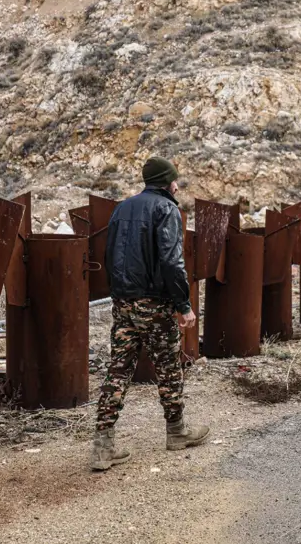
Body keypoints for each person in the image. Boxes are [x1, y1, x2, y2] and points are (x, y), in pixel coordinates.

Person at [91, 157, 209, 471]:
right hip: (155, 303)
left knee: (118, 371)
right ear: (168, 182)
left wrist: (119, 294)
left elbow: (108, 253)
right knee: (168, 367)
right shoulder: (167, 209)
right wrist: (183, 305)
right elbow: (172, 261)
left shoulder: (122, 209)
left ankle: (102, 447)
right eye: (175, 180)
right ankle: (177, 432)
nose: (177, 184)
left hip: (123, 302)